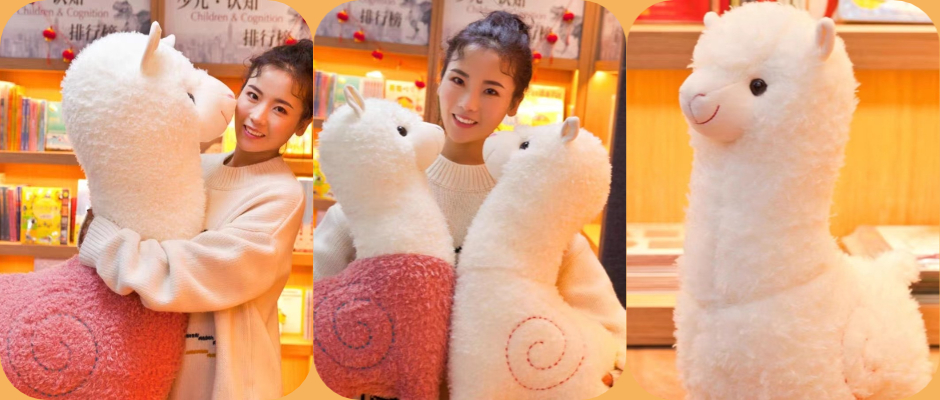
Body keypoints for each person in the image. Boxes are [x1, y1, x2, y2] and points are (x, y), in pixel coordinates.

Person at [313, 11, 626, 400]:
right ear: (440, 79)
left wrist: (584, 371)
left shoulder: (531, 201)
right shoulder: (386, 181)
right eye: (458, 80)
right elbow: (319, 302)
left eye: (491, 91)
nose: (468, 103)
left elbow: (612, 331)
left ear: (514, 103)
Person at [77, 39, 313, 400]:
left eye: (280, 109)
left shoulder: (280, 196)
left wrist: (103, 242)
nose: (257, 116)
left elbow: (192, 271)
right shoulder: (197, 165)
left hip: (230, 385)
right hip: (159, 371)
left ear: (302, 124)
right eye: (253, 95)